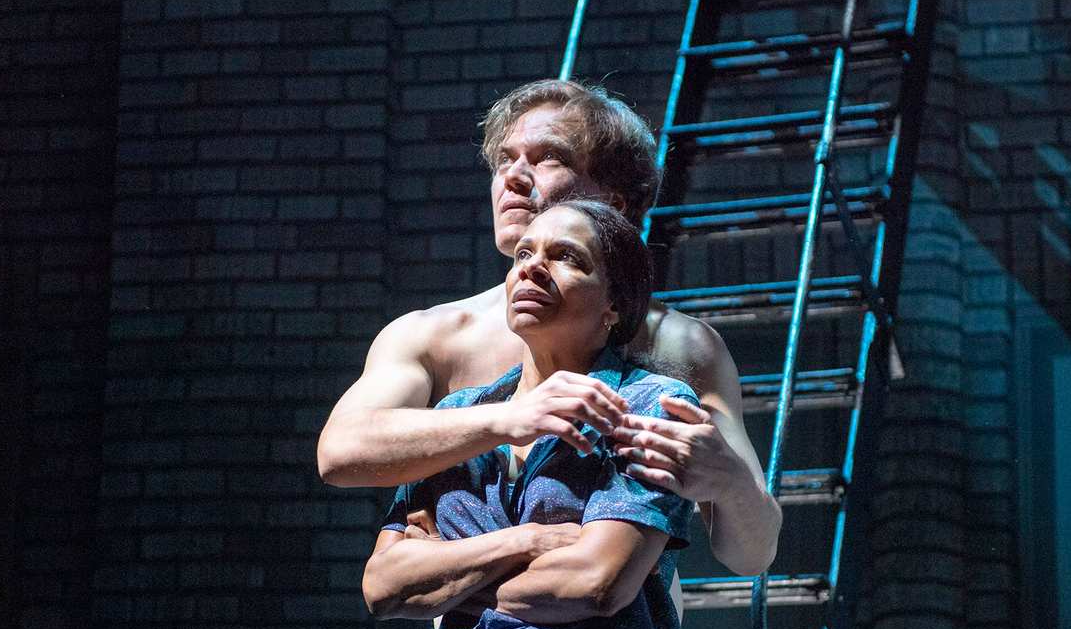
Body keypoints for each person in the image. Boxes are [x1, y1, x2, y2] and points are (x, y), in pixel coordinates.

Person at [362, 198, 704, 629]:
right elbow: (387, 585)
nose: (533, 267)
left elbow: (595, 583)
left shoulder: (646, 404)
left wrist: (459, 574)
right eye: (525, 255)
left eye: (567, 257)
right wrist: (529, 541)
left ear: (614, 306)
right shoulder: (460, 421)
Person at [318, 78, 781, 578]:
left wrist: (731, 485)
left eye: (547, 158)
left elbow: (751, 554)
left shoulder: (679, 343)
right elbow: (341, 452)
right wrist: (511, 417)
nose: (513, 177)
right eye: (504, 160)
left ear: (615, 202)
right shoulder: (434, 335)